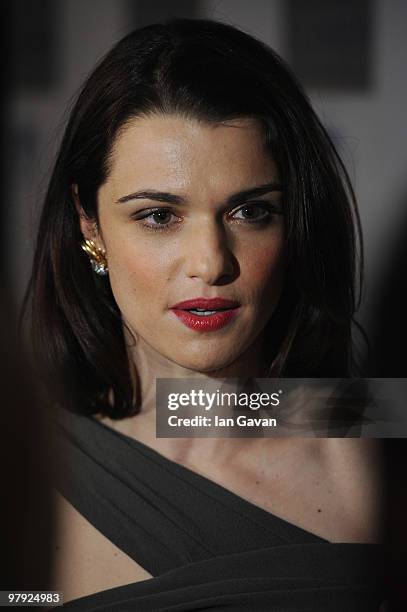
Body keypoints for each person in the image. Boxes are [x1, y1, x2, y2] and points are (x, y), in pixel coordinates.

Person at [22, 18, 385, 610]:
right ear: (90, 225)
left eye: (250, 212)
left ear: (294, 221)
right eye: (158, 216)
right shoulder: (27, 468)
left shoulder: (377, 434)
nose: (210, 263)